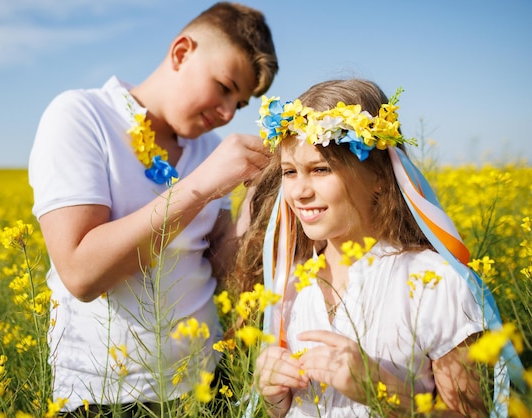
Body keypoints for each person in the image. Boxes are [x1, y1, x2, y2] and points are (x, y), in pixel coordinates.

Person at [28, 2, 278, 415]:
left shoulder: (208, 150)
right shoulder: (81, 116)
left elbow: (221, 268)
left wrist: (255, 201)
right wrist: (199, 187)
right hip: (107, 394)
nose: (228, 113)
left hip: (205, 384)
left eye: (240, 104)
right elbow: (81, 274)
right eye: (224, 86)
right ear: (182, 52)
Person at [242, 79, 525, 417]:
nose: (300, 191)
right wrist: (274, 395)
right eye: (290, 172)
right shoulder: (288, 283)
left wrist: (378, 388)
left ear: (379, 175)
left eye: (321, 169)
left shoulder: (436, 283)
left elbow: (471, 414)